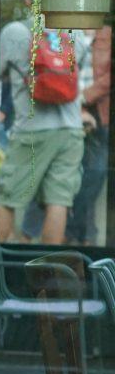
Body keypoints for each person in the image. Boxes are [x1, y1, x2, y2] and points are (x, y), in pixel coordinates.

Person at [0, 18, 87, 245]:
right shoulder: (75, 30)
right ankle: (47, 274)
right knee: (59, 201)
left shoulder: (16, 31)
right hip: (71, 129)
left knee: (9, 197)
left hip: (31, 130)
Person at [67, 24, 111, 245]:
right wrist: (80, 107)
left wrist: (85, 97)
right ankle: (80, 233)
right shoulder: (70, 34)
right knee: (81, 175)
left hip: (101, 111)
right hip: (77, 110)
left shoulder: (107, 35)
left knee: (95, 174)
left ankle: (80, 231)